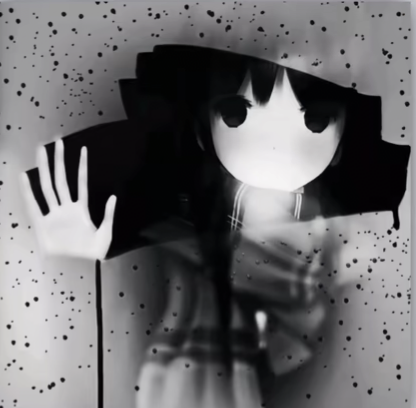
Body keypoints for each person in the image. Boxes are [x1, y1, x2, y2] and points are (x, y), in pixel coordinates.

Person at [20, 44, 411, 408]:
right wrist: (94, 250)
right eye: (237, 114)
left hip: (229, 371)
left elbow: (293, 321)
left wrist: (323, 276)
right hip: (176, 365)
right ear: (204, 125)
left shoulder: (313, 227)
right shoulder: (190, 203)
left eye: (315, 120)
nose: (274, 145)